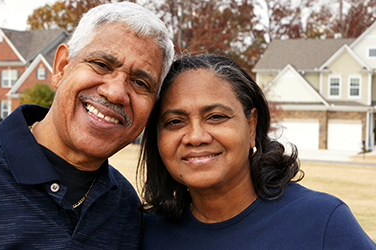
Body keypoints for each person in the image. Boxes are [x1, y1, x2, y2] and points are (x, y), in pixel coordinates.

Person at [0, 2, 174, 249]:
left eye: (140, 83)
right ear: (61, 67)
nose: (115, 93)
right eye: (102, 64)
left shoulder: (126, 207)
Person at [138, 54, 376, 249]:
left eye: (216, 117)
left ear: (251, 126)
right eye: (175, 122)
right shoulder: (147, 234)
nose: (196, 136)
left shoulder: (323, 223)